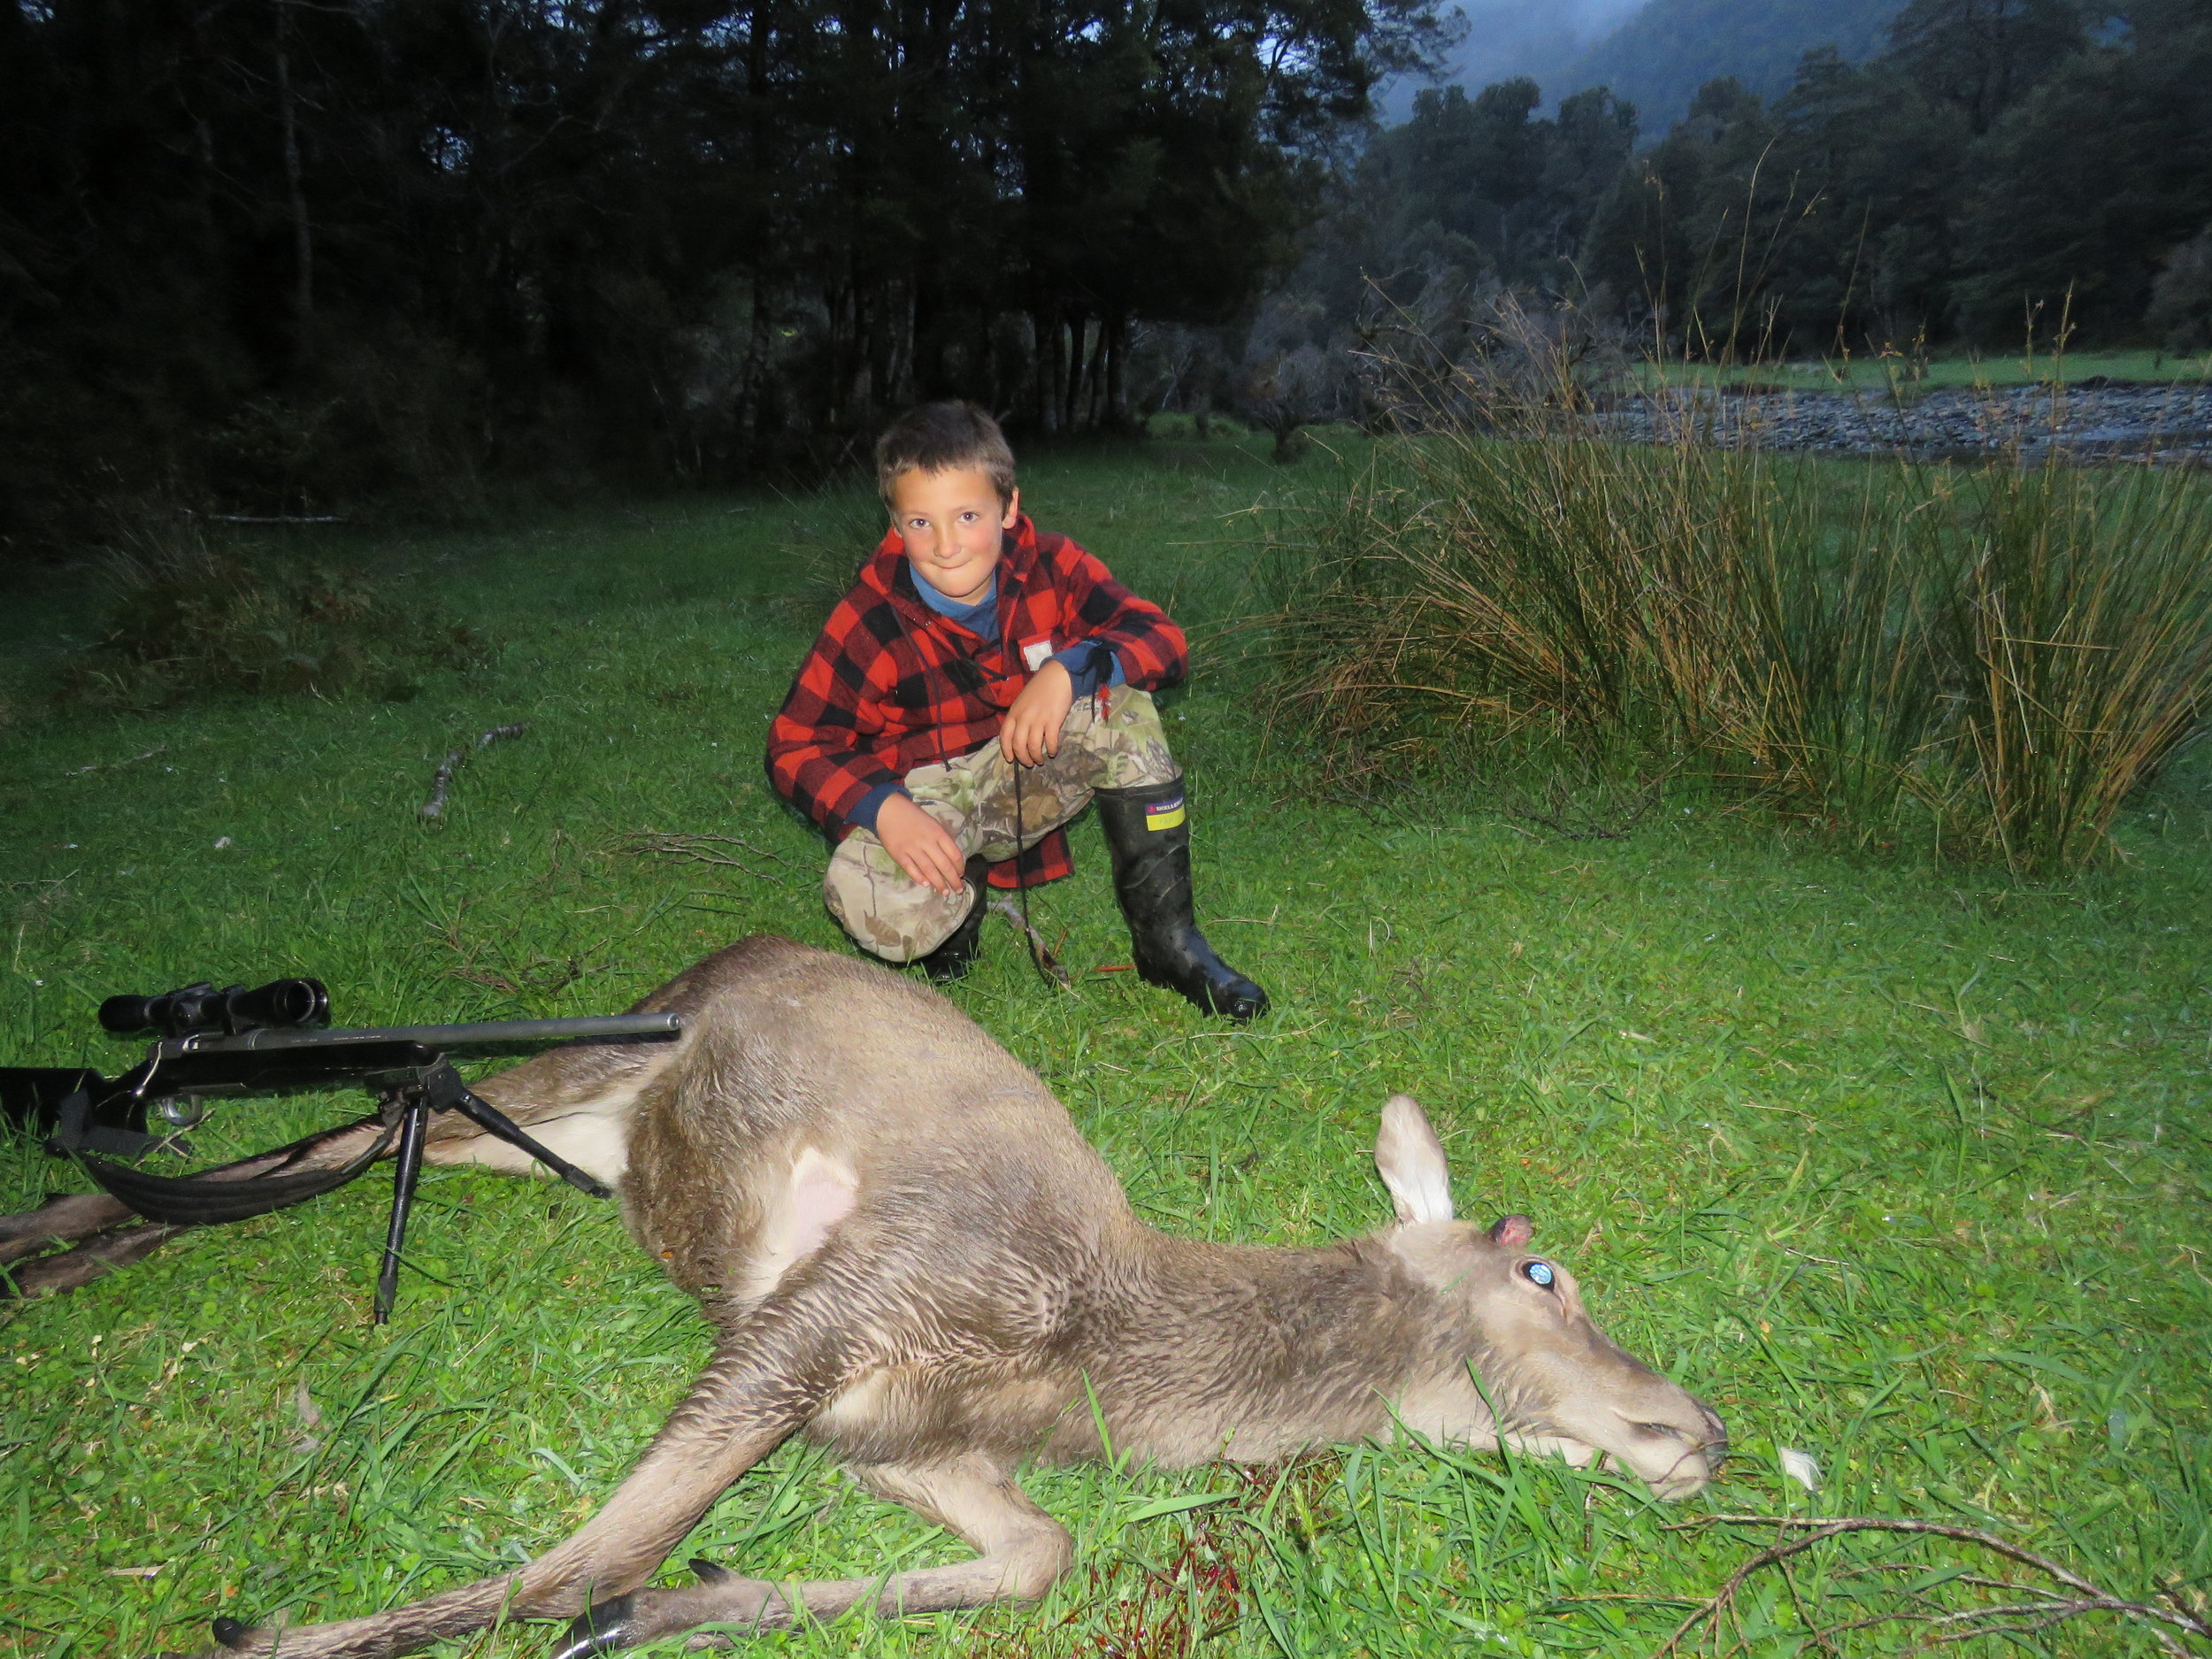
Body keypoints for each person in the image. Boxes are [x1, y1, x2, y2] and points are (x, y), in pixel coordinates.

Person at [766, 400, 1268, 1021]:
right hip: (926, 803)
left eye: (968, 515)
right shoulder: (869, 616)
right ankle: (955, 912)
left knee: (1126, 709)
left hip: (1020, 773)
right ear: (894, 523)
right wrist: (885, 810)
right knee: (877, 905)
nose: (946, 546)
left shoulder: (1053, 566)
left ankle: (1170, 947)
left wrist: (1068, 667)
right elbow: (794, 743)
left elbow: (1162, 638)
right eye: (920, 522)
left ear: (1008, 508)